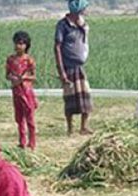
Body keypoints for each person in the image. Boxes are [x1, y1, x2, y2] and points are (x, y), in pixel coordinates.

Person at [54, 0, 92, 136]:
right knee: (70, 98)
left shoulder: (82, 24)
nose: (85, 11)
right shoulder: (63, 25)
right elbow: (57, 47)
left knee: (85, 96)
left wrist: (81, 26)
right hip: (68, 67)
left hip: (79, 67)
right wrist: (61, 72)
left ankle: (84, 127)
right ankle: (70, 128)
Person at [7, 31, 39, 149]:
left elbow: (34, 77)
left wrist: (24, 78)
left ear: (26, 45)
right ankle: (22, 142)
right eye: (16, 43)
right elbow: (7, 75)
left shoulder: (29, 60)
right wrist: (13, 78)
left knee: (30, 118)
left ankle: (32, 142)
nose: (18, 46)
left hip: (27, 92)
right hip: (16, 92)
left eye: (21, 43)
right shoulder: (10, 60)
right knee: (19, 118)